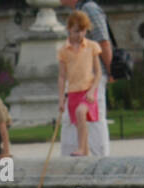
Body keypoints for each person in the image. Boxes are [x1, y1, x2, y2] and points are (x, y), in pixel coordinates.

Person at [59, 0, 112, 158]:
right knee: (73, 120)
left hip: (91, 81)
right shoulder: (79, 11)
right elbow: (62, 75)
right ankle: (75, 153)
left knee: (93, 120)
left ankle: (97, 156)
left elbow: (104, 41)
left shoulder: (89, 8)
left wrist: (110, 71)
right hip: (75, 86)